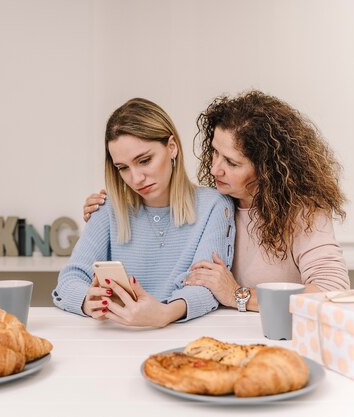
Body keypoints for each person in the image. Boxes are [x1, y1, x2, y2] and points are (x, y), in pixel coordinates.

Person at [83, 91, 350, 313]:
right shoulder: (216, 204)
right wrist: (106, 211)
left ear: (268, 169)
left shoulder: (301, 212)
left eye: (232, 162)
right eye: (214, 153)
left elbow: (332, 291)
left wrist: (238, 295)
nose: (214, 170)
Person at [53, 98, 235, 327]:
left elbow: (208, 286)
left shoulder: (215, 205)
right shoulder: (106, 208)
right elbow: (69, 280)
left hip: (185, 334)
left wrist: (165, 313)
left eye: (145, 160)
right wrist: (86, 301)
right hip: (117, 339)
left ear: (172, 147)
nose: (136, 178)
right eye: (123, 168)